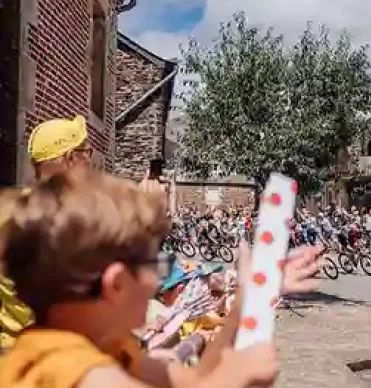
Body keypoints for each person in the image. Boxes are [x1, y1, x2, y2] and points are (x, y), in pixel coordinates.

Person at [0, 169, 284, 387]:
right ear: (117, 284)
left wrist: (241, 308)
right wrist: (236, 378)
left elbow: (195, 380)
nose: (156, 283)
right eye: (152, 264)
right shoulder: (84, 376)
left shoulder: (93, 347)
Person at [1, 115, 95, 350]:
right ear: (71, 159)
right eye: (87, 152)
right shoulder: (69, 221)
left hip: (10, 347)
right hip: (57, 354)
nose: (90, 161)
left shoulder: (9, 210)